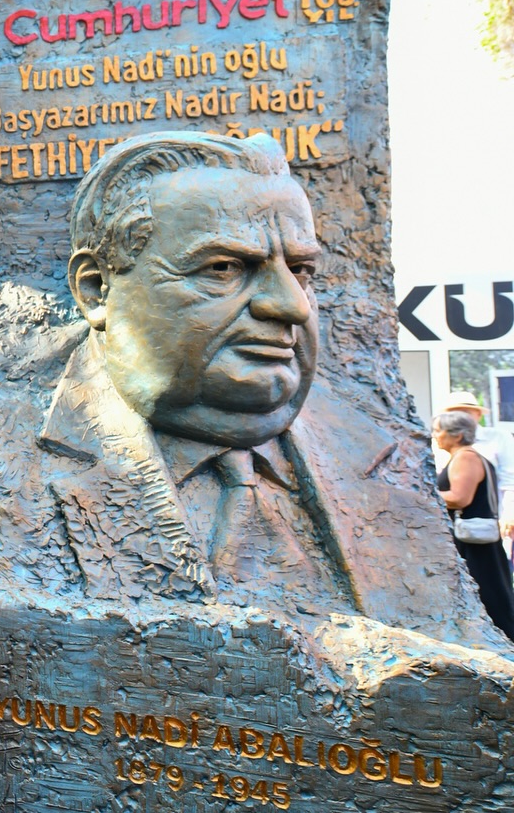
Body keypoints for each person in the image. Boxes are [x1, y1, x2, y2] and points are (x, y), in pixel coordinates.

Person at [26, 130, 492, 642]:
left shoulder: (382, 463)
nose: (293, 305)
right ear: (97, 290)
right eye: (224, 268)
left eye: (301, 269)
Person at [434, 411, 514, 640]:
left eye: (439, 430)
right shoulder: (467, 456)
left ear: (457, 435)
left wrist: (425, 494)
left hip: (473, 541)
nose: (436, 435)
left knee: (491, 598)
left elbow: (460, 498)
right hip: (474, 540)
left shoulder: (466, 458)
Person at [439, 392, 514, 539]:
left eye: (465, 412)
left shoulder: (498, 438)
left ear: (478, 415)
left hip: (487, 519)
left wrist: (509, 513)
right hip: (453, 522)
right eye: (453, 413)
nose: (460, 417)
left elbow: (510, 478)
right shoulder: (441, 443)